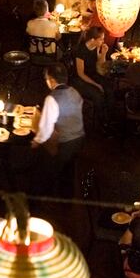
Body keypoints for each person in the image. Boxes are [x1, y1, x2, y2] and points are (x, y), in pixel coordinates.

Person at [32, 63, 86, 195]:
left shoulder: (52, 98)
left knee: (45, 167)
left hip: (66, 143)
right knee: (69, 169)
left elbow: (45, 130)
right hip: (80, 139)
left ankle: (43, 198)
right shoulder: (75, 92)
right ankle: (67, 196)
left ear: (51, 80)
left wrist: (36, 141)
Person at [72, 27, 111, 120]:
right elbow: (81, 74)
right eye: (101, 39)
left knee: (109, 88)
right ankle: (99, 120)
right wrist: (96, 85)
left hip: (92, 74)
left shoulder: (96, 47)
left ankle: (108, 115)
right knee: (97, 95)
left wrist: (104, 53)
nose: (103, 41)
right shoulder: (81, 51)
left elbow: (100, 64)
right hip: (80, 79)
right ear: (93, 40)